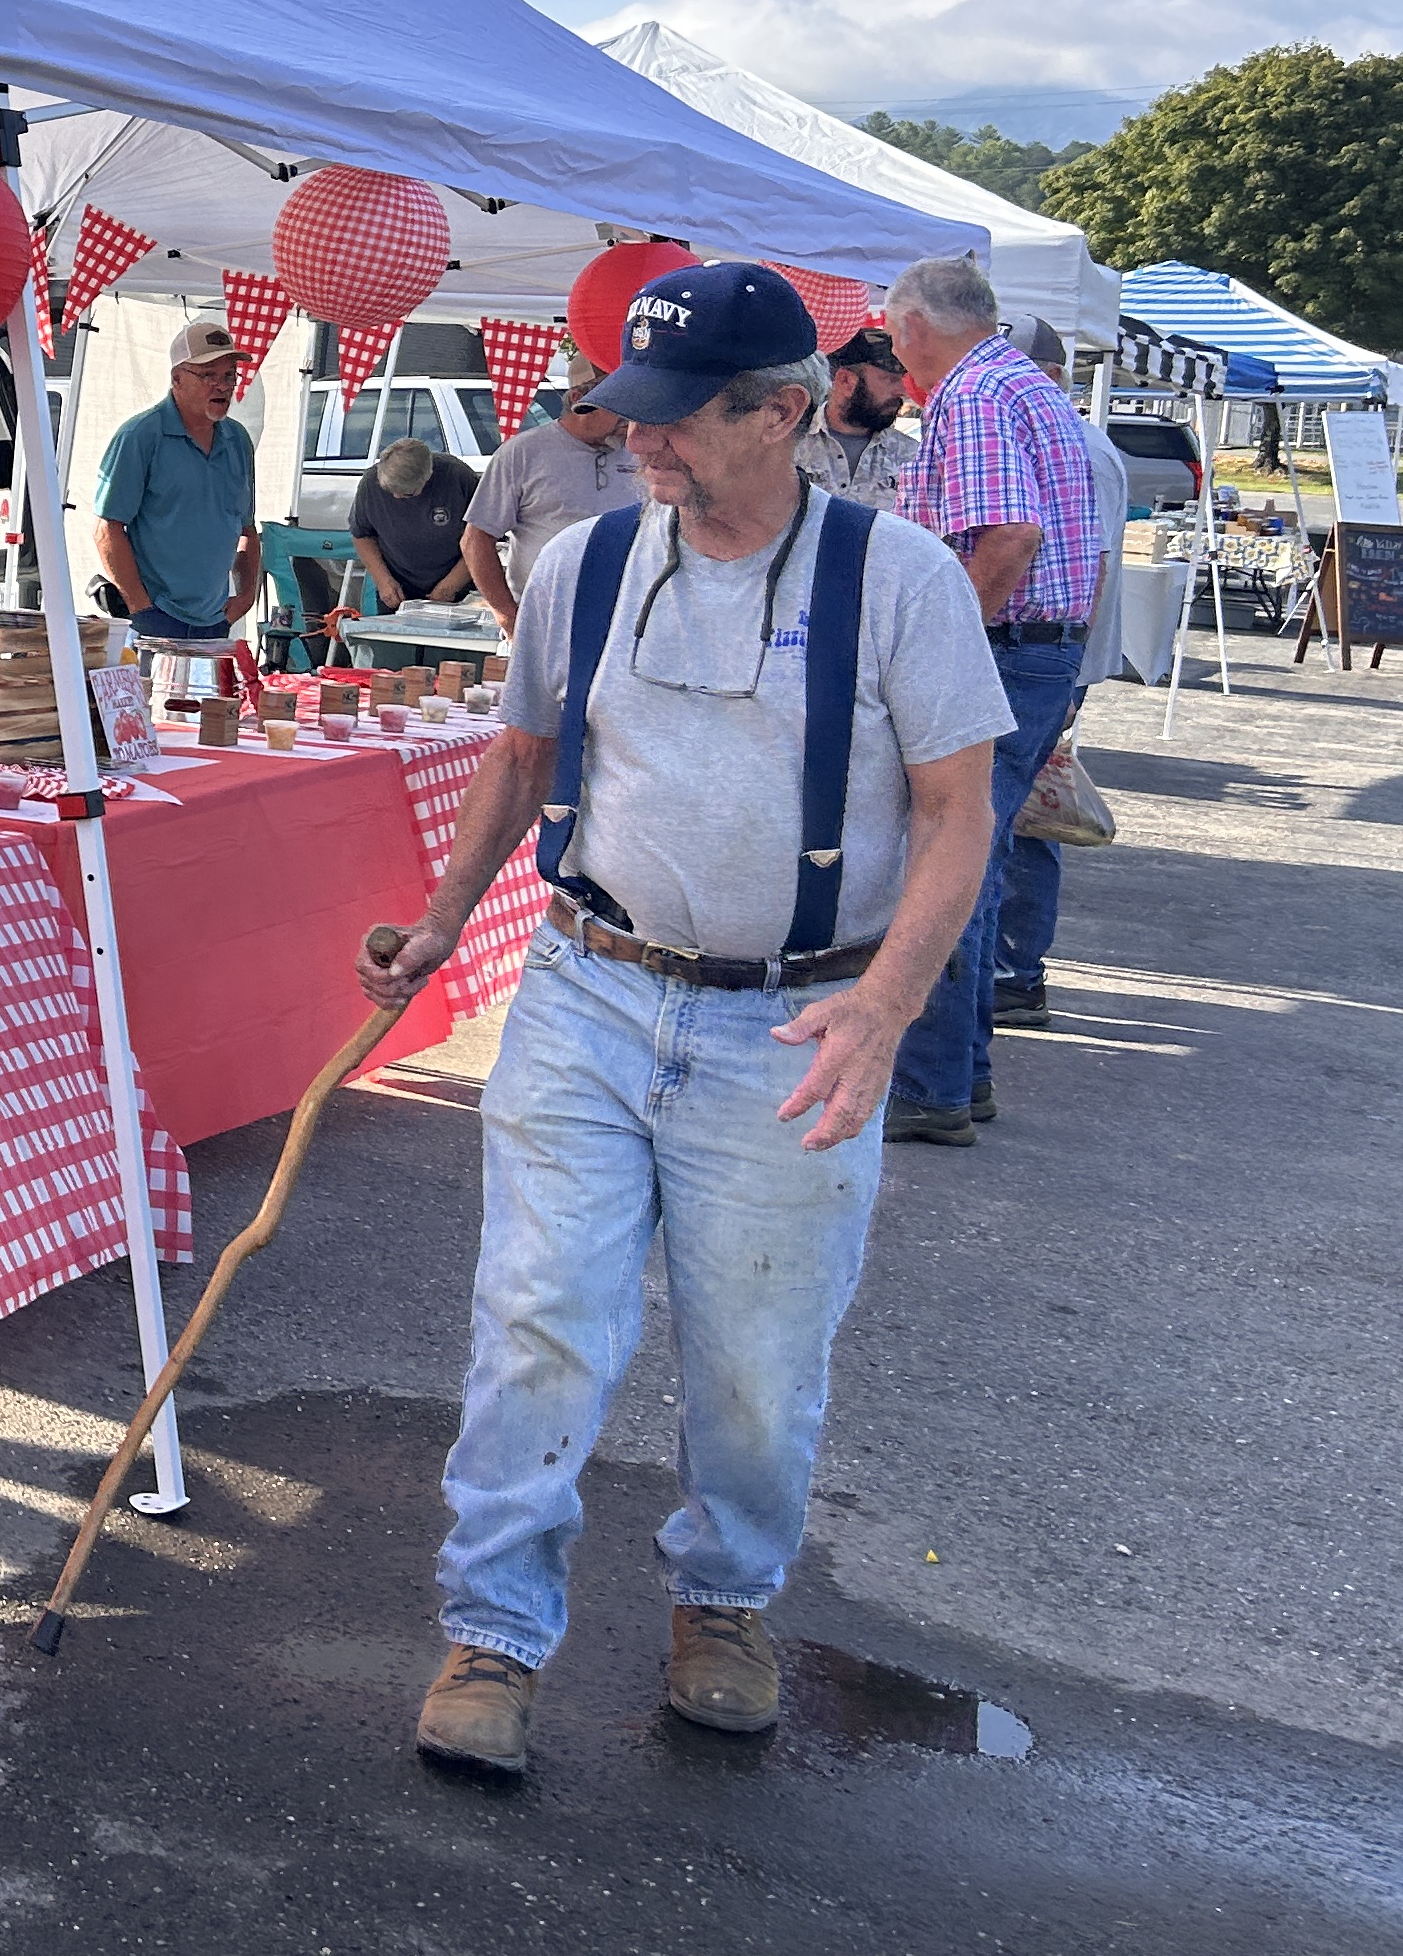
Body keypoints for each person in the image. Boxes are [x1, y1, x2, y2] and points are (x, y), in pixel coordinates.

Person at [358, 261, 1009, 1777]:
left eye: (678, 418)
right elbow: (523, 759)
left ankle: (722, 1598)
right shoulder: (585, 564)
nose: (639, 441)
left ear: (784, 412)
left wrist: (884, 1010)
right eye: (630, 411)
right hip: (586, 990)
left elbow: (958, 812)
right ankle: (495, 1630)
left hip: (790, 1023)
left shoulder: (897, 577)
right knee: (537, 1325)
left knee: (758, 1360)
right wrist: (444, 924)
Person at [882, 255, 1112, 1143]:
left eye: (895, 328)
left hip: (1008, 648)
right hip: (1035, 651)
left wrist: (952, 636)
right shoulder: (1018, 382)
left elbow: (1011, 535)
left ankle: (935, 1085)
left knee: (945, 860)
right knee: (968, 854)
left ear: (918, 325)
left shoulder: (974, 394)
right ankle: (956, 1075)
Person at [990, 313, 1132, 1031]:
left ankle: (1017, 971)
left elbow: (1094, 566)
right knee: (1014, 810)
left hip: (1050, 654)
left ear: (1045, 377)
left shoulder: (1075, 447)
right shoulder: (1065, 439)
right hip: (1055, 654)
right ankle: (1015, 970)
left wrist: (1070, 680)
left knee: (1022, 813)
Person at [90, 317, 262, 649]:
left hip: (216, 620)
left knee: (212, 703)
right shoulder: (141, 436)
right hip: (156, 618)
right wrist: (141, 606)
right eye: (208, 375)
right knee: (156, 701)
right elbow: (106, 528)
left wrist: (246, 596)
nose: (223, 386)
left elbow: (247, 530)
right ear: (177, 379)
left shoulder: (238, 440)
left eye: (229, 375)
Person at [461, 351, 638, 632]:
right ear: (581, 400)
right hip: (544, 619)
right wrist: (508, 616)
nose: (629, 415)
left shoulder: (641, 453)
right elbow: (475, 541)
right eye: (618, 402)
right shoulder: (524, 453)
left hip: (624, 619)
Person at [350, 436, 482, 608]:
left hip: (461, 591)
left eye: (407, 494)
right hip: (399, 593)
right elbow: (362, 535)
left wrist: (450, 586)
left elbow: (482, 538)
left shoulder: (458, 477)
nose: (397, 497)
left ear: (428, 476)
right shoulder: (369, 484)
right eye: (390, 491)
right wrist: (383, 580)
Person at [795, 326, 920, 506]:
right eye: (890, 379)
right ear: (845, 380)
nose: (902, 391)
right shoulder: (791, 444)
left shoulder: (912, 456)